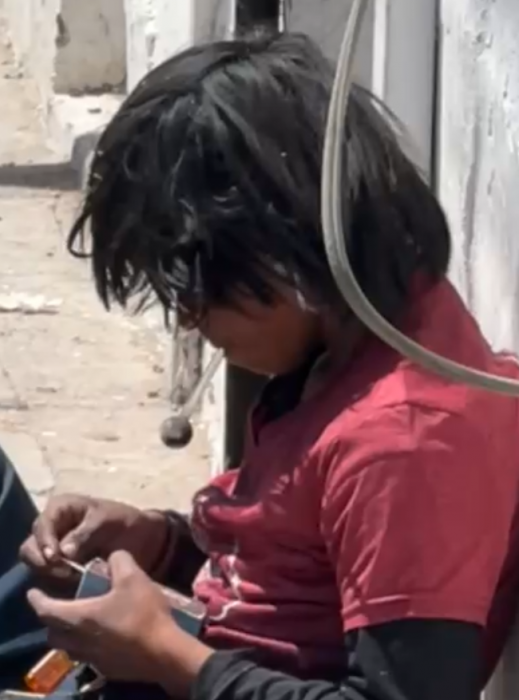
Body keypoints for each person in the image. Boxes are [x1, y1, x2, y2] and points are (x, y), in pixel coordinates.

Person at [19, 30, 519, 700]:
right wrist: (159, 544)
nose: (189, 322)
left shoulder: (404, 439)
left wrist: (170, 656)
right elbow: (292, 577)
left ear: (282, 251)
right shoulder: (335, 359)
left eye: (199, 295)